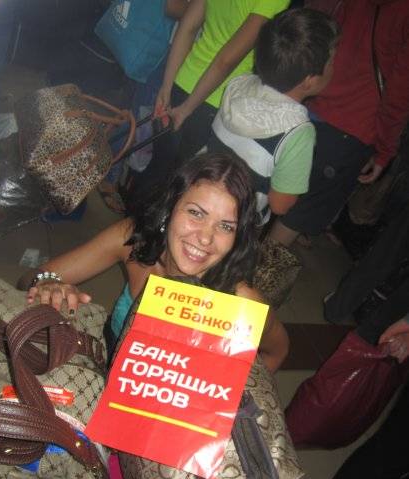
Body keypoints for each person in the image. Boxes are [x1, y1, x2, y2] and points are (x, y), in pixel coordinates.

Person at [22, 153, 289, 373]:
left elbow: (276, 352)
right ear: (171, 207)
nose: (206, 238)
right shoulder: (134, 241)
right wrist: (48, 284)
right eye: (196, 213)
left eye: (226, 226)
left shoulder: (242, 303)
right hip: (106, 373)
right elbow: (29, 279)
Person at [275, 0, 409, 246]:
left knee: (269, 194)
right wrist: (385, 149)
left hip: (307, 101)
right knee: (296, 218)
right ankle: (252, 269)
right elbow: (399, 92)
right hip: (351, 127)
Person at [130, 0, 290, 197]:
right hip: (214, 99)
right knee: (179, 185)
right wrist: (188, 107)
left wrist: (167, 86)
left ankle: (132, 213)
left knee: (159, 168)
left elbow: (188, 26)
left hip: (183, 80)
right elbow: (226, 60)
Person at [207, 7, 338, 232]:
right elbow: (280, 205)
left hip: (195, 193)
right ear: (309, 80)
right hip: (232, 227)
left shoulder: (239, 84)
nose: (334, 68)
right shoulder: (298, 132)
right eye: (331, 62)